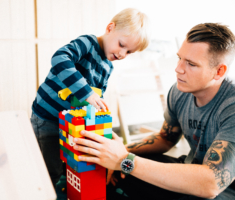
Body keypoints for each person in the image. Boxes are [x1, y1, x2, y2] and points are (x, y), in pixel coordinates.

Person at [73, 23, 235, 199]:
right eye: (180, 58)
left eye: (191, 64)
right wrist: (115, 153)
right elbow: (165, 138)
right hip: (193, 169)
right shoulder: (180, 91)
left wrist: (125, 160)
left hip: (233, 190)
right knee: (117, 174)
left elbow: (211, 184)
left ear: (219, 71)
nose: (178, 68)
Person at [30, 8, 150, 188]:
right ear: (110, 28)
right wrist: (86, 92)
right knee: (49, 169)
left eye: (129, 52)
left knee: (72, 163)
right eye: (122, 45)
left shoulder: (108, 66)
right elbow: (60, 58)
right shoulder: (87, 43)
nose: (122, 54)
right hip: (48, 119)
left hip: (71, 122)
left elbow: (96, 96)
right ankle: (42, 190)